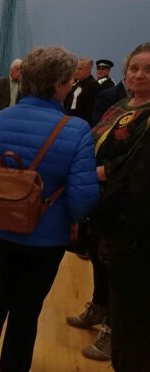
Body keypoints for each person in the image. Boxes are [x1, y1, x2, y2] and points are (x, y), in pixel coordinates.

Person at [0, 46, 100, 372]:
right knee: (26, 314)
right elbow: (82, 198)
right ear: (60, 84)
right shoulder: (76, 129)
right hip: (45, 240)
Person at [90, 42, 150, 372]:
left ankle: (112, 328)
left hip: (127, 204)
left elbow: (135, 162)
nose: (139, 74)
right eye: (134, 68)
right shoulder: (121, 106)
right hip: (99, 197)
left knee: (120, 270)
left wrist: (100, 171)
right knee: (98, 258)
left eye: (148, 69)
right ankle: (98, 306)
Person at [64, 57, 100, 124]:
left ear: (89, 69)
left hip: (82, 123)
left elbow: (91, 110)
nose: (76, 71)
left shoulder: (93, 85)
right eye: (75, 69)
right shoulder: (76, 84)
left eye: (80, 69)